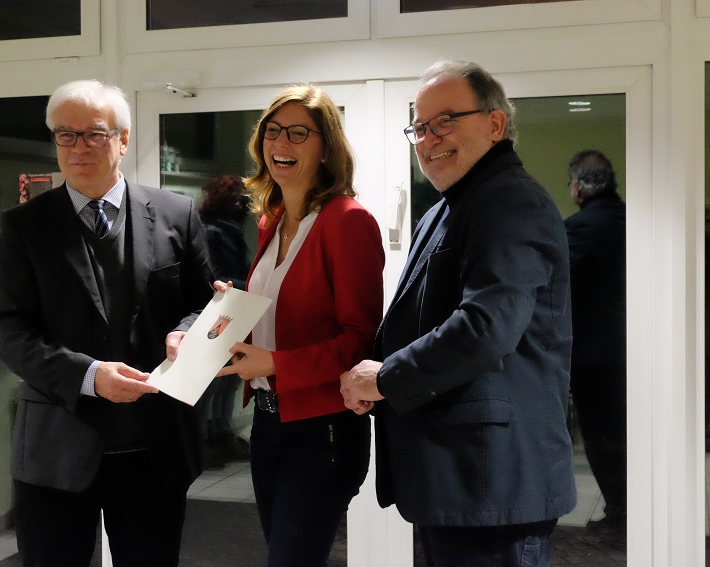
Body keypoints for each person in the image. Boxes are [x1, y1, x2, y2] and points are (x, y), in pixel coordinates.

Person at [340, 60, 576, 567]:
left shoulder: (510, 201)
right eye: (419, 128)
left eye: (445, 121)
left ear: (495, 124)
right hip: (459, 479)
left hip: (491, 484)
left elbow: (486, 328)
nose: (428, 139)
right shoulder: (446, 208)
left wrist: (386, 378)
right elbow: (424, 320)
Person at [0, 79, 215, 567]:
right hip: (56, 449)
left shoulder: (178, 214)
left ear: (123, 139)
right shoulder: (24, 227)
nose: (78, 147)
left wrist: (187, 330)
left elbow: (202, 305)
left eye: (93, 134)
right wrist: (90, 377)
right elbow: (12, 336)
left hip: (154, 448)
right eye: (65, 135)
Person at [216, 84, 385, 566]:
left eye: (298, 134)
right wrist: (228, 317)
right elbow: (280, 318)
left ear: (326, 147)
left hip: (323, 429)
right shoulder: (272, 222)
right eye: (272, 131)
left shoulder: (348, 221)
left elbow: (359, 341)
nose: (281, 144)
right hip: (268, 423)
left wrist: (274, 363)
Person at [565, 150, 627, 531]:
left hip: (596, 357)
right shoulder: (634, 221)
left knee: (603, 438)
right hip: (637, 349)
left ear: (576, 187)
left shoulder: (579, 228)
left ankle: (620, 514)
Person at [197, 174, 252, 467]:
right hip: (218, 311)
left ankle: (220, 435)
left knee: (228, 380)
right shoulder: (213, 231)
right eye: (234, 198)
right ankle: (207, 440)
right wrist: (252, 287)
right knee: (213, 382)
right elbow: (215, 274)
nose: (240, 204)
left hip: (233, 307)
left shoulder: (228, 230)